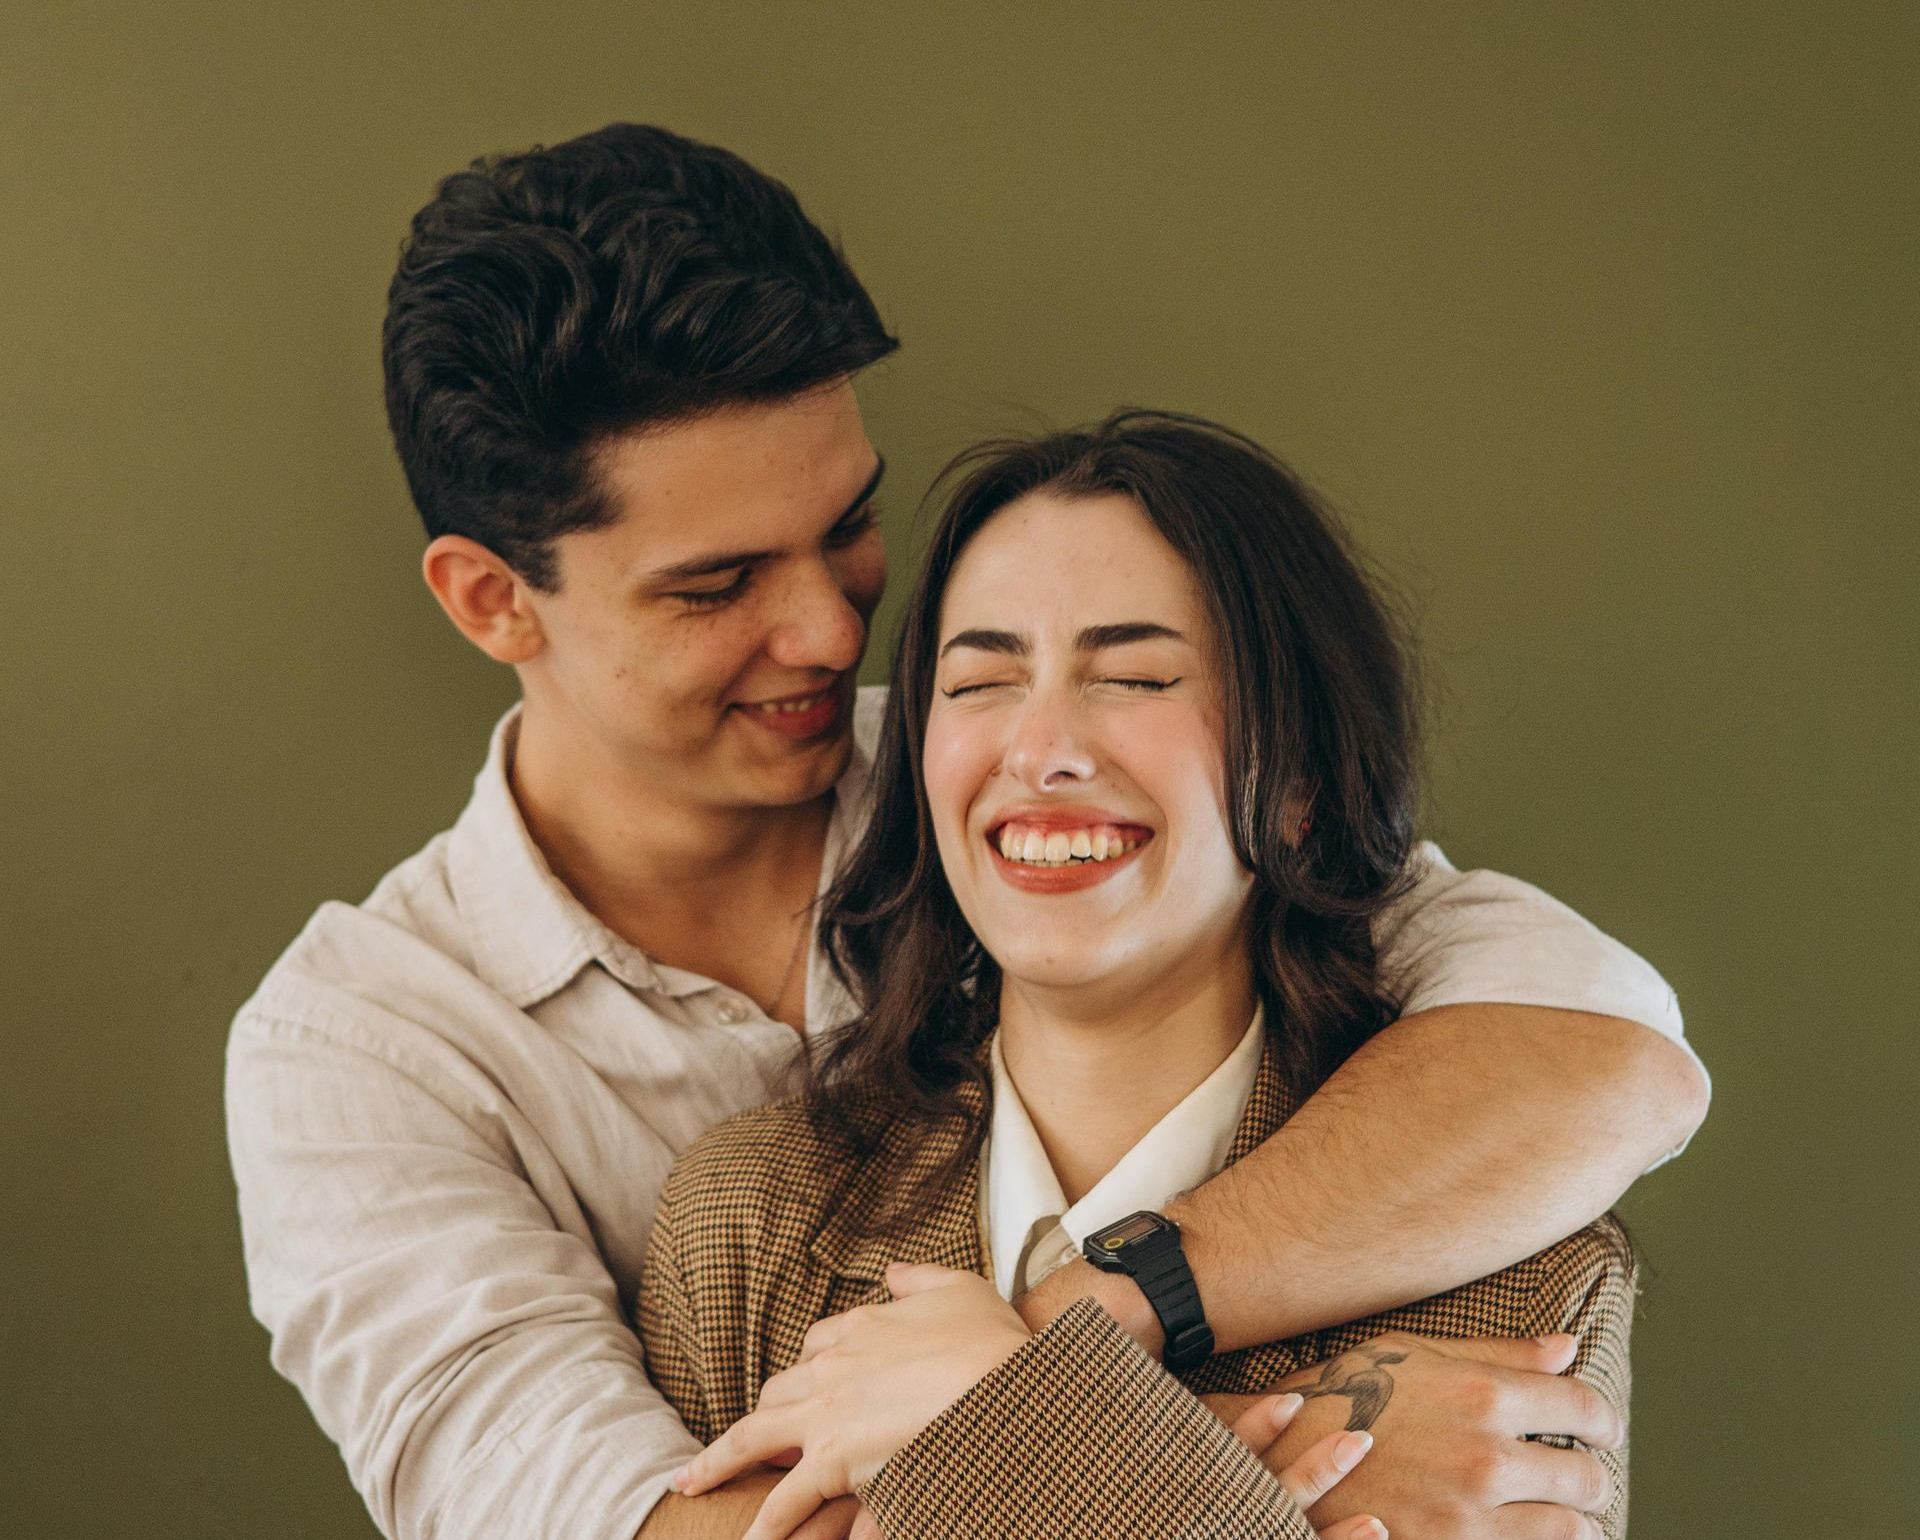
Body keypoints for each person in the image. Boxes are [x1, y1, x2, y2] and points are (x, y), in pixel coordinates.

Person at [225, 124, 1707, 1540]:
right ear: (493, 600)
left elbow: (1597, 1057)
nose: (826, 631)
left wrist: (1062, 1335)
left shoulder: (1036, 788)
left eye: (849, 527)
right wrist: (1278, 1447)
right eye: (716, 584)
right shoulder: (363, 1054)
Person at [646, 413, 1637, 1540]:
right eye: (979, 683)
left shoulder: (1515, 1272)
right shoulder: (745, 1220)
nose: (1041, 749)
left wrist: (994, 1412)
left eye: (1135, 676)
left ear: (1301, 776)